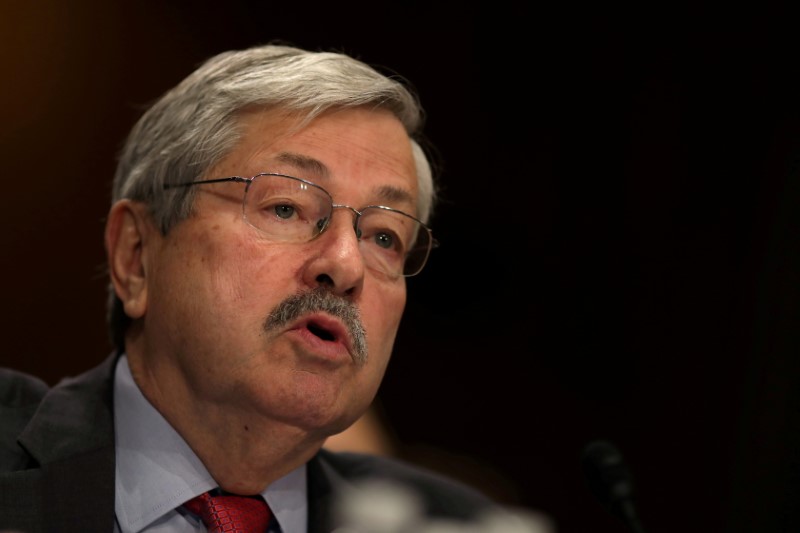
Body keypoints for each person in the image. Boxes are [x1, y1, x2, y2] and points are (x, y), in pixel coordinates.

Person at [0, 42, 505, 532]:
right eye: (285, 207)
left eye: (383, 236)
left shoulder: (446, 524)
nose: (346, 266)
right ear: (136, 256)